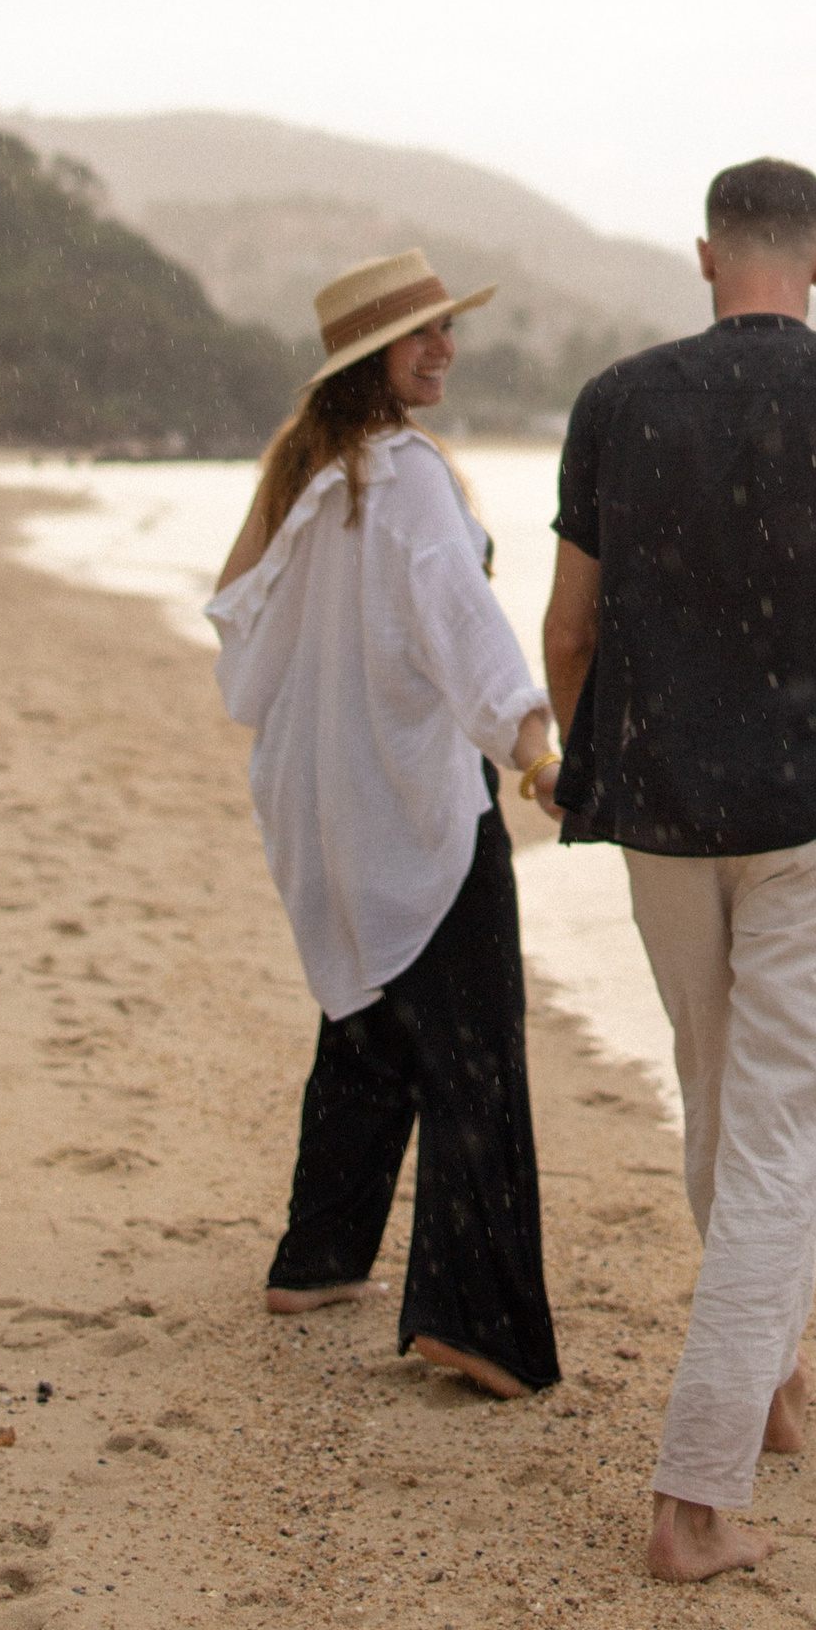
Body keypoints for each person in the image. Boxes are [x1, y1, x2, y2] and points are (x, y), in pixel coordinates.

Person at [540, 158, 816, 1578]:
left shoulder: (618, 401)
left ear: (709, 257)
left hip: (663, 813)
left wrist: (598, 764)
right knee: (775, 1129)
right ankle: (696, 1498)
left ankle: (768, 1377)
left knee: (717, 1093)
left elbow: (571, 631)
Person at [209, 249, 563, 1400]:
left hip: (328, 802)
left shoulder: (310, 472)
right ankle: (475, 1319)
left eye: (447, 329)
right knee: (475, 1056)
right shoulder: (403, 475)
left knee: (365, 1017)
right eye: (423, 336)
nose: (445, 348)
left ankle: (315, 1259)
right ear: (374, 357)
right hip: (412, 800)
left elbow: (237, 617)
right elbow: (460, 622)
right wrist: (530, 743)